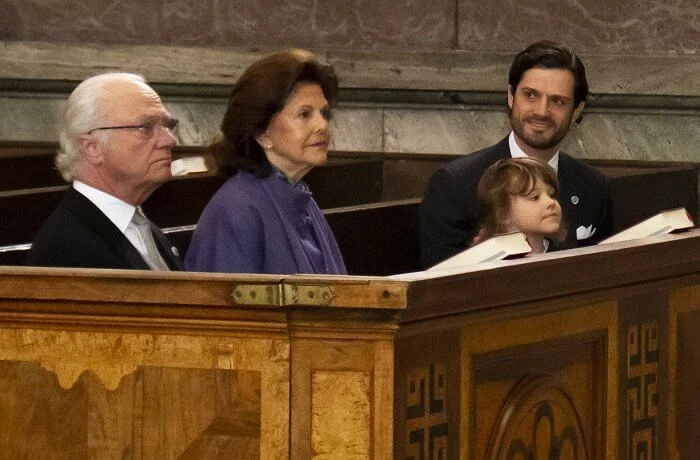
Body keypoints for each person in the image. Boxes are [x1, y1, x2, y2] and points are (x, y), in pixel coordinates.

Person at [419, 40, 612, 269]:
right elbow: (437, 288)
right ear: (511, 96)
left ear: (577, 110)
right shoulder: (455, 184)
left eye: (557, 101)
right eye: (530, 95)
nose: (541, 111)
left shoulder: (593, 186)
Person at [185, 49, 346, 275]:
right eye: (305, 115)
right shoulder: (237, 210)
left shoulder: (301, 198)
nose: (323, 126)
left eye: (324, 114)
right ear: (262, 133)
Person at [25, 73, 183, 270]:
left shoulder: (132, 221)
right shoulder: (70, 250)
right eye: (145, 127)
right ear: (92, 147)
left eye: (167, 125)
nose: (169, 140)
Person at [475, 157, 565, 254]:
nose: (551, 202)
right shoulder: (488, 265)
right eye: (534, 197)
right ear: (503, 215)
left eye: (551, 195)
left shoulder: (567, 257)